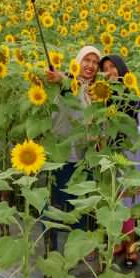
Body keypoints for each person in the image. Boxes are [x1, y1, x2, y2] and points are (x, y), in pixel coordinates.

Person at [45, 45, 101, 251]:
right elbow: (63, 81)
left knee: (80, 205)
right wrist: (58, 77)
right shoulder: (69, 83)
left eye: (95, 62)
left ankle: (78, 250)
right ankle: (50, 248)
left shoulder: (95, 91)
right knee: (55, 203)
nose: (91, 66)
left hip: (85, 156)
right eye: (87, 60)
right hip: (63, 152)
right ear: (77, 61)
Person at [100, 54, 140, 268]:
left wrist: (125, 132)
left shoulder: (138, 95)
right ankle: (119, 243)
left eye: (113, 67)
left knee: (130, 201)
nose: (109, 71)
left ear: (121, 68)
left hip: (131, 152)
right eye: (105, 68)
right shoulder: (104, 95)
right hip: (112, 153)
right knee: (116, 200)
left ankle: (132, 248)